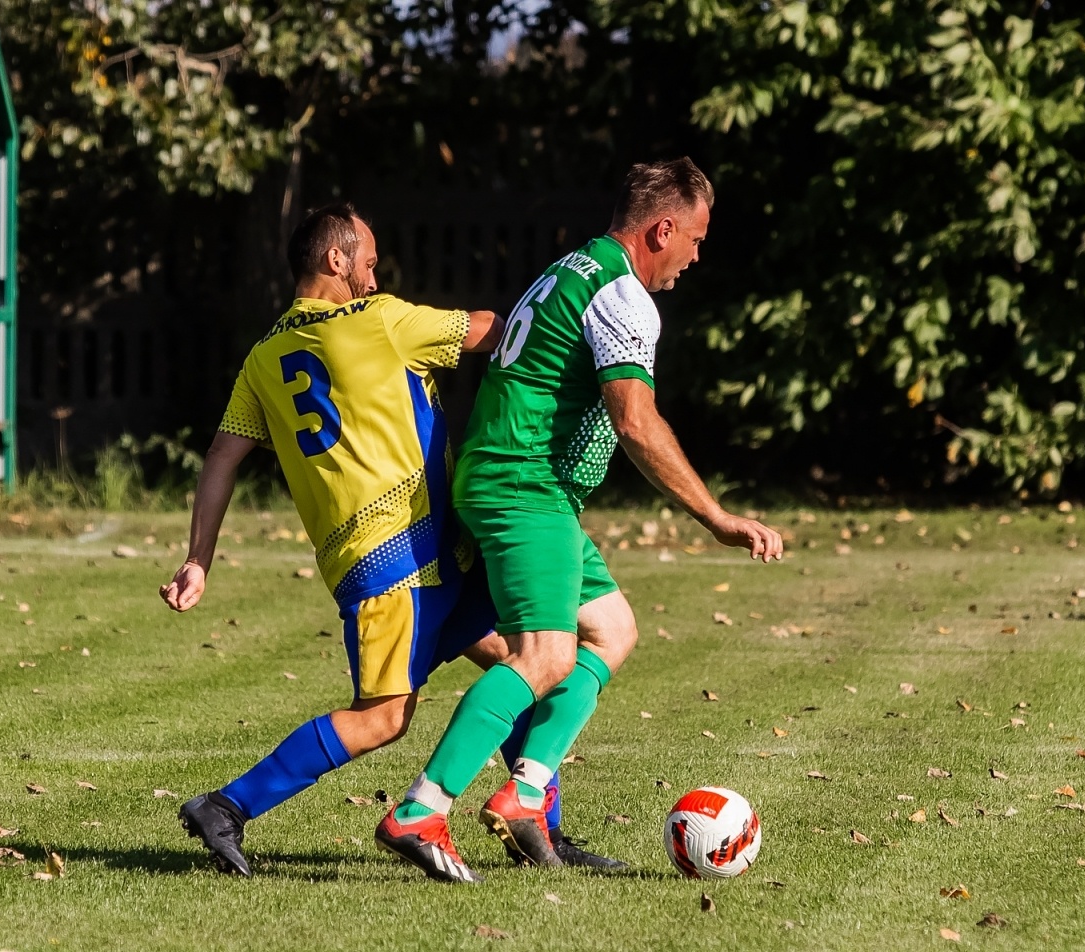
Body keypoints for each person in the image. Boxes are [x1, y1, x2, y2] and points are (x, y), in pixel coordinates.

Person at [160, 203, 622, 878]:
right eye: (370, 262)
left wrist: (198, 559)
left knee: (523, 658)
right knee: (383, 718)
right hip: (402, 565)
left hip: (396, 560)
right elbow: (494, 331)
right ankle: (226, 807)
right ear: (335, 259)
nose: (375, 278)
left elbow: (222, 457)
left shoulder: (264, 358)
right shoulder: (380, 322)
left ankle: (538, 825)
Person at [376, 158, 785, 883]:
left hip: (521, 483)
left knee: (614, 629)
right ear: (663, 228)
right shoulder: (623, 295)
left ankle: (527, 794)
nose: (697, 255)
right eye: (695, 238)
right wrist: (715, 516)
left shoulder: (573, 267)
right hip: (521, 484)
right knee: (545, 656)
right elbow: (634, 419)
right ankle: (421, 808)